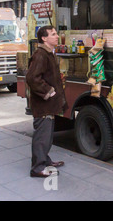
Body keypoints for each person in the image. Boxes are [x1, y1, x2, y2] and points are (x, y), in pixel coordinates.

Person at [26, 25, 67, 178]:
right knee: (42, 137)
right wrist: (48, 91)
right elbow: (32, 78)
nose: (57, 36)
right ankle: (37, 168)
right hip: (43, 105)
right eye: (53, 34)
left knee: (47, 136)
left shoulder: (49, 53)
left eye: (56, 34)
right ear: (44, 38)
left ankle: (45, 160)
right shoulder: (40, 54)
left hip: (49, 105)